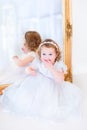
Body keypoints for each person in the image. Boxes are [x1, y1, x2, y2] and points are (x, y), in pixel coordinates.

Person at [0, 39, 82, 121]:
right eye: (44, 54)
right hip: (37, 84)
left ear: (56, 55)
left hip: (51, 87)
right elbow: (29, 68)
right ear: (40, 54)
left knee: (48, 103)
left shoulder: (58, 65)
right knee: (30, 96)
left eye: (50, 54)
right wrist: (29, 70)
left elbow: (60, 80)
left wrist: (51, 68)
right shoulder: (39, 63)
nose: (47, 57)